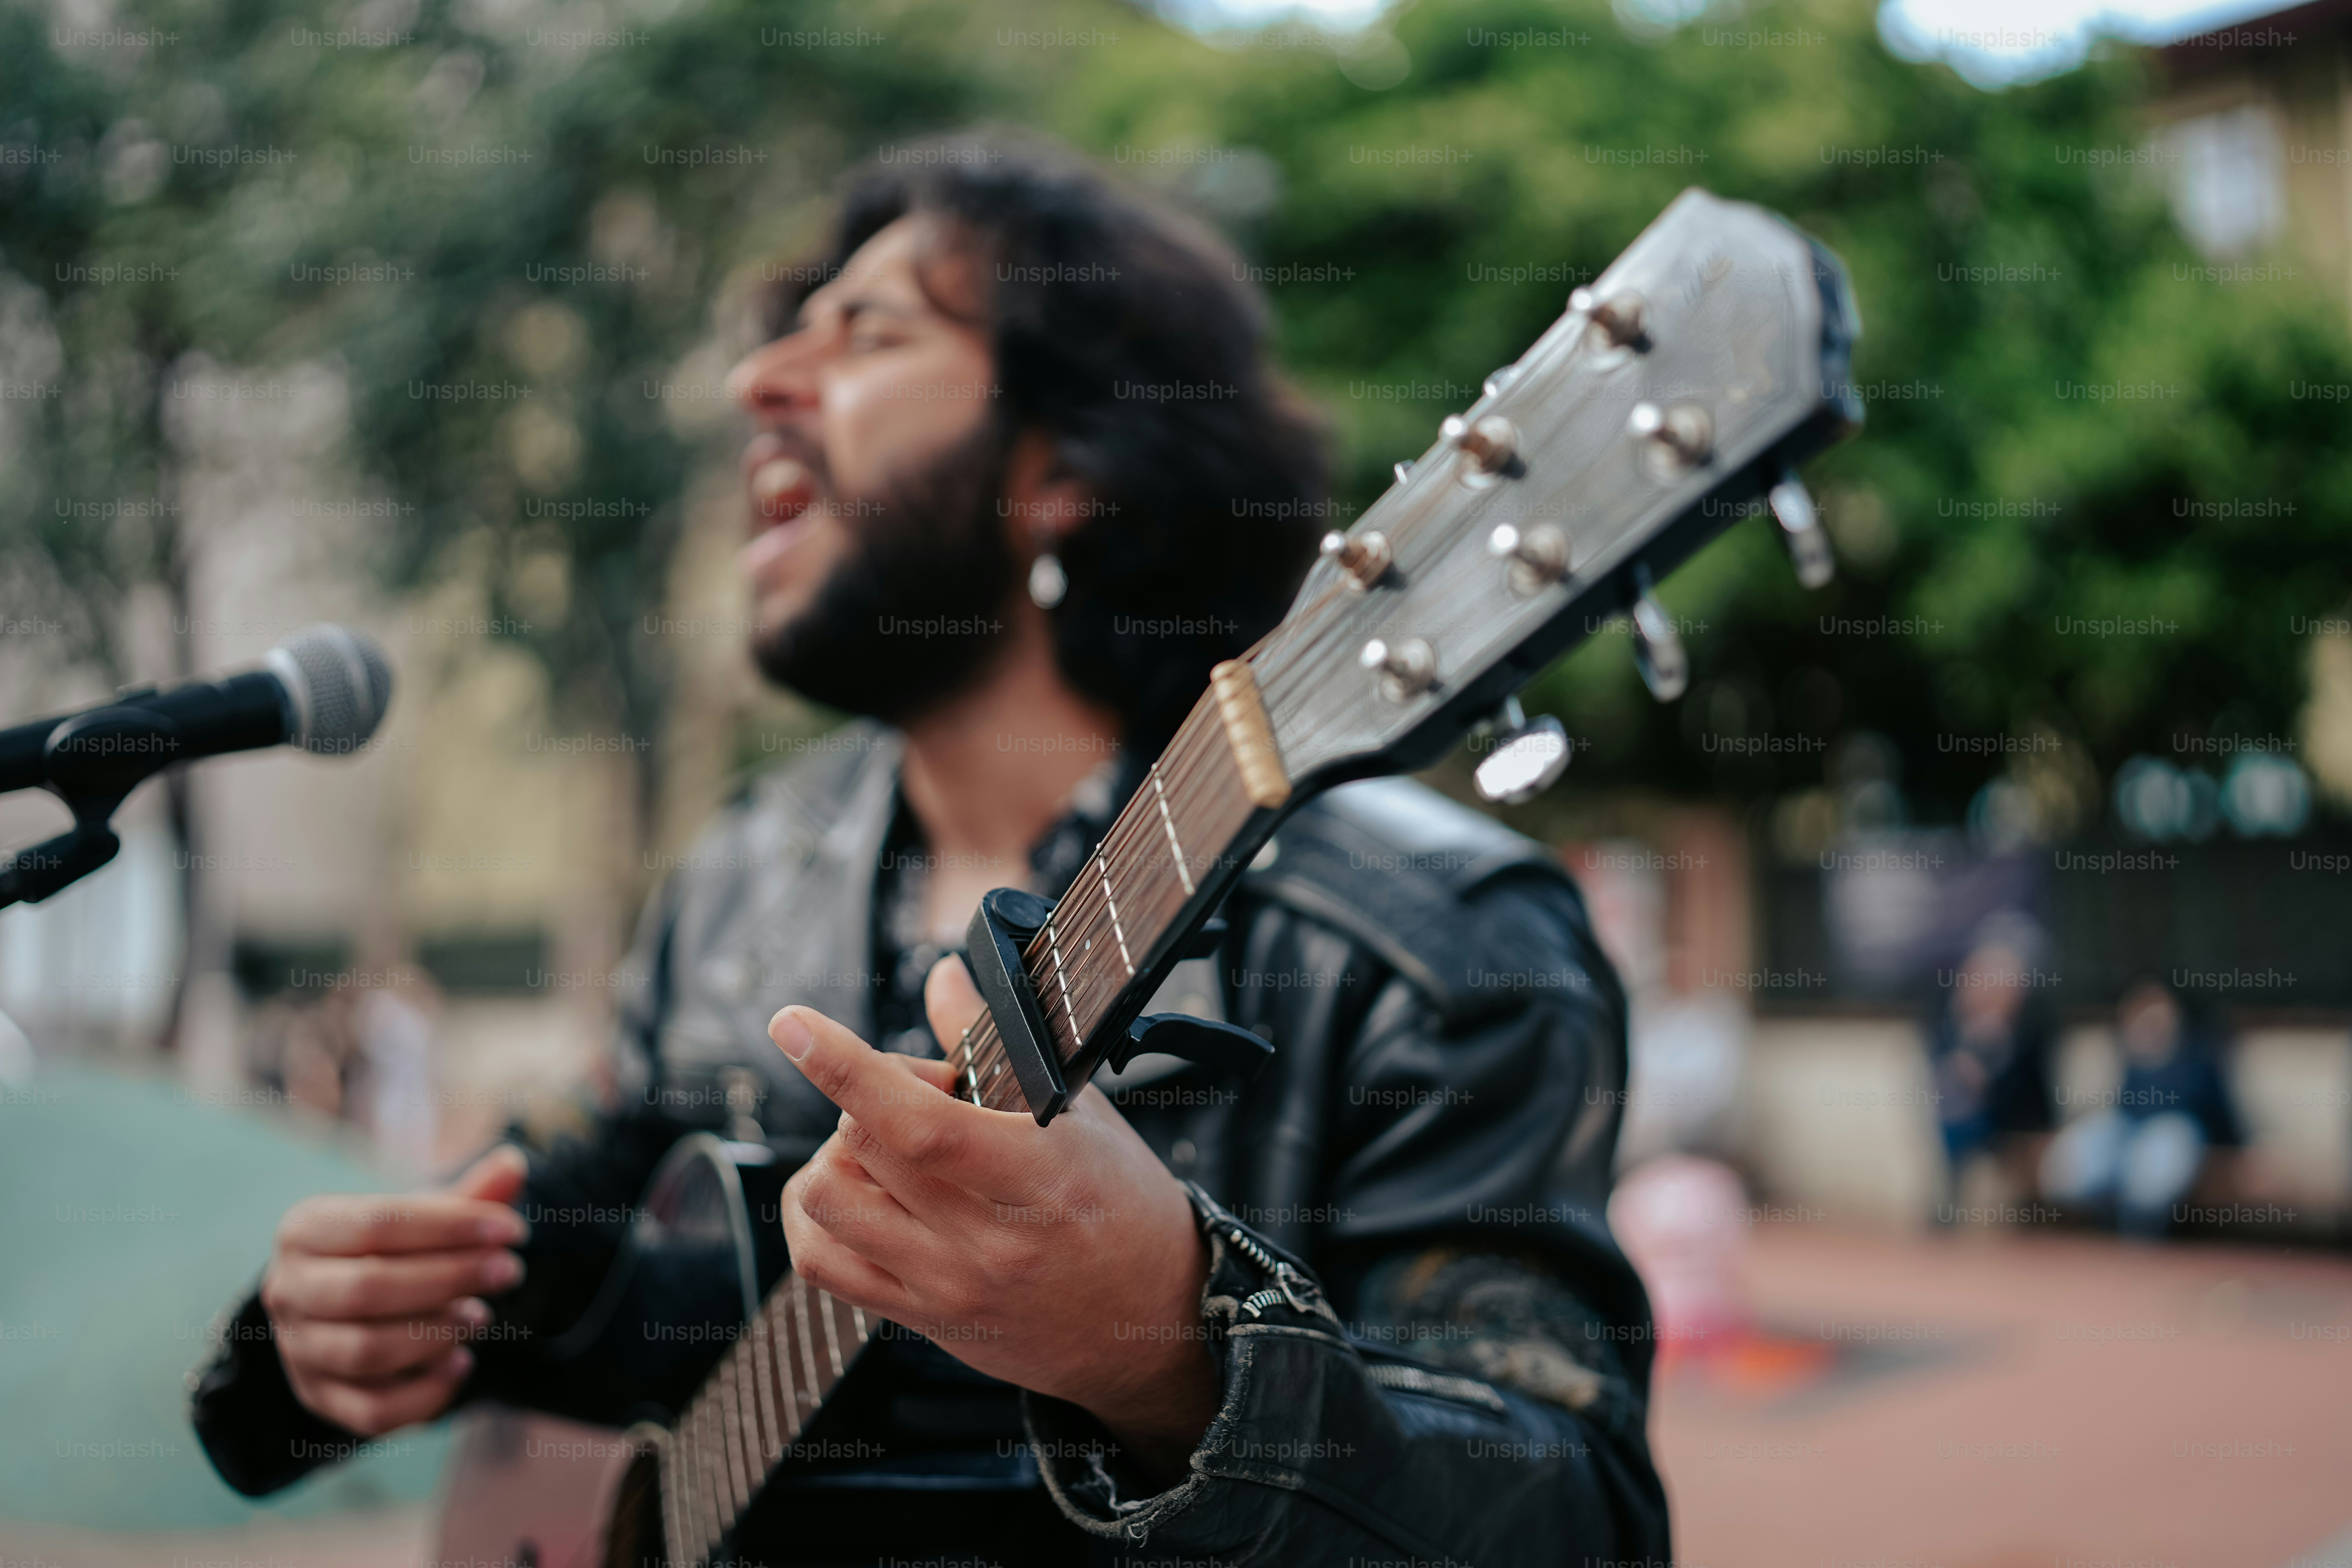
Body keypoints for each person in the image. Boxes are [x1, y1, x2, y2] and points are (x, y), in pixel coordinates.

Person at [186, 133, 1668, 1565]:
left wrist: (1173, 1357)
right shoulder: (744, 877)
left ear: (1067, 470)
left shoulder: (1426, 932)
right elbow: (536, 1229)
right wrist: (335, 1332)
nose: (757, 380)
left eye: (867, 335)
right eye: (787, 338)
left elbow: (1572, 1520)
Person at [2041, 978, 2241, 1238]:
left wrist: (2241, 1150)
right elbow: (2121, 1109)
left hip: (2171, 1142)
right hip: (2128, 1137)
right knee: (2097, 1135)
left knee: (2166, 1139)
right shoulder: (2130, 1054)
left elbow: (2221, 1112)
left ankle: (2141, 1229)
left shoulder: (2200, 1055)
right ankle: (2089, 1224)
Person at [1924, 932, 2056, 1215]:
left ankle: (2029, 1209)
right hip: (1966, 1116)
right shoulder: (1949, 1020)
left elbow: (2033, 1091)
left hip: (2015, 1116)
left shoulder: (2029, 1029)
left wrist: (1994, 1063)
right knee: (1952, 1118)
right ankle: (1948, 1200)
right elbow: (1937, 1067)